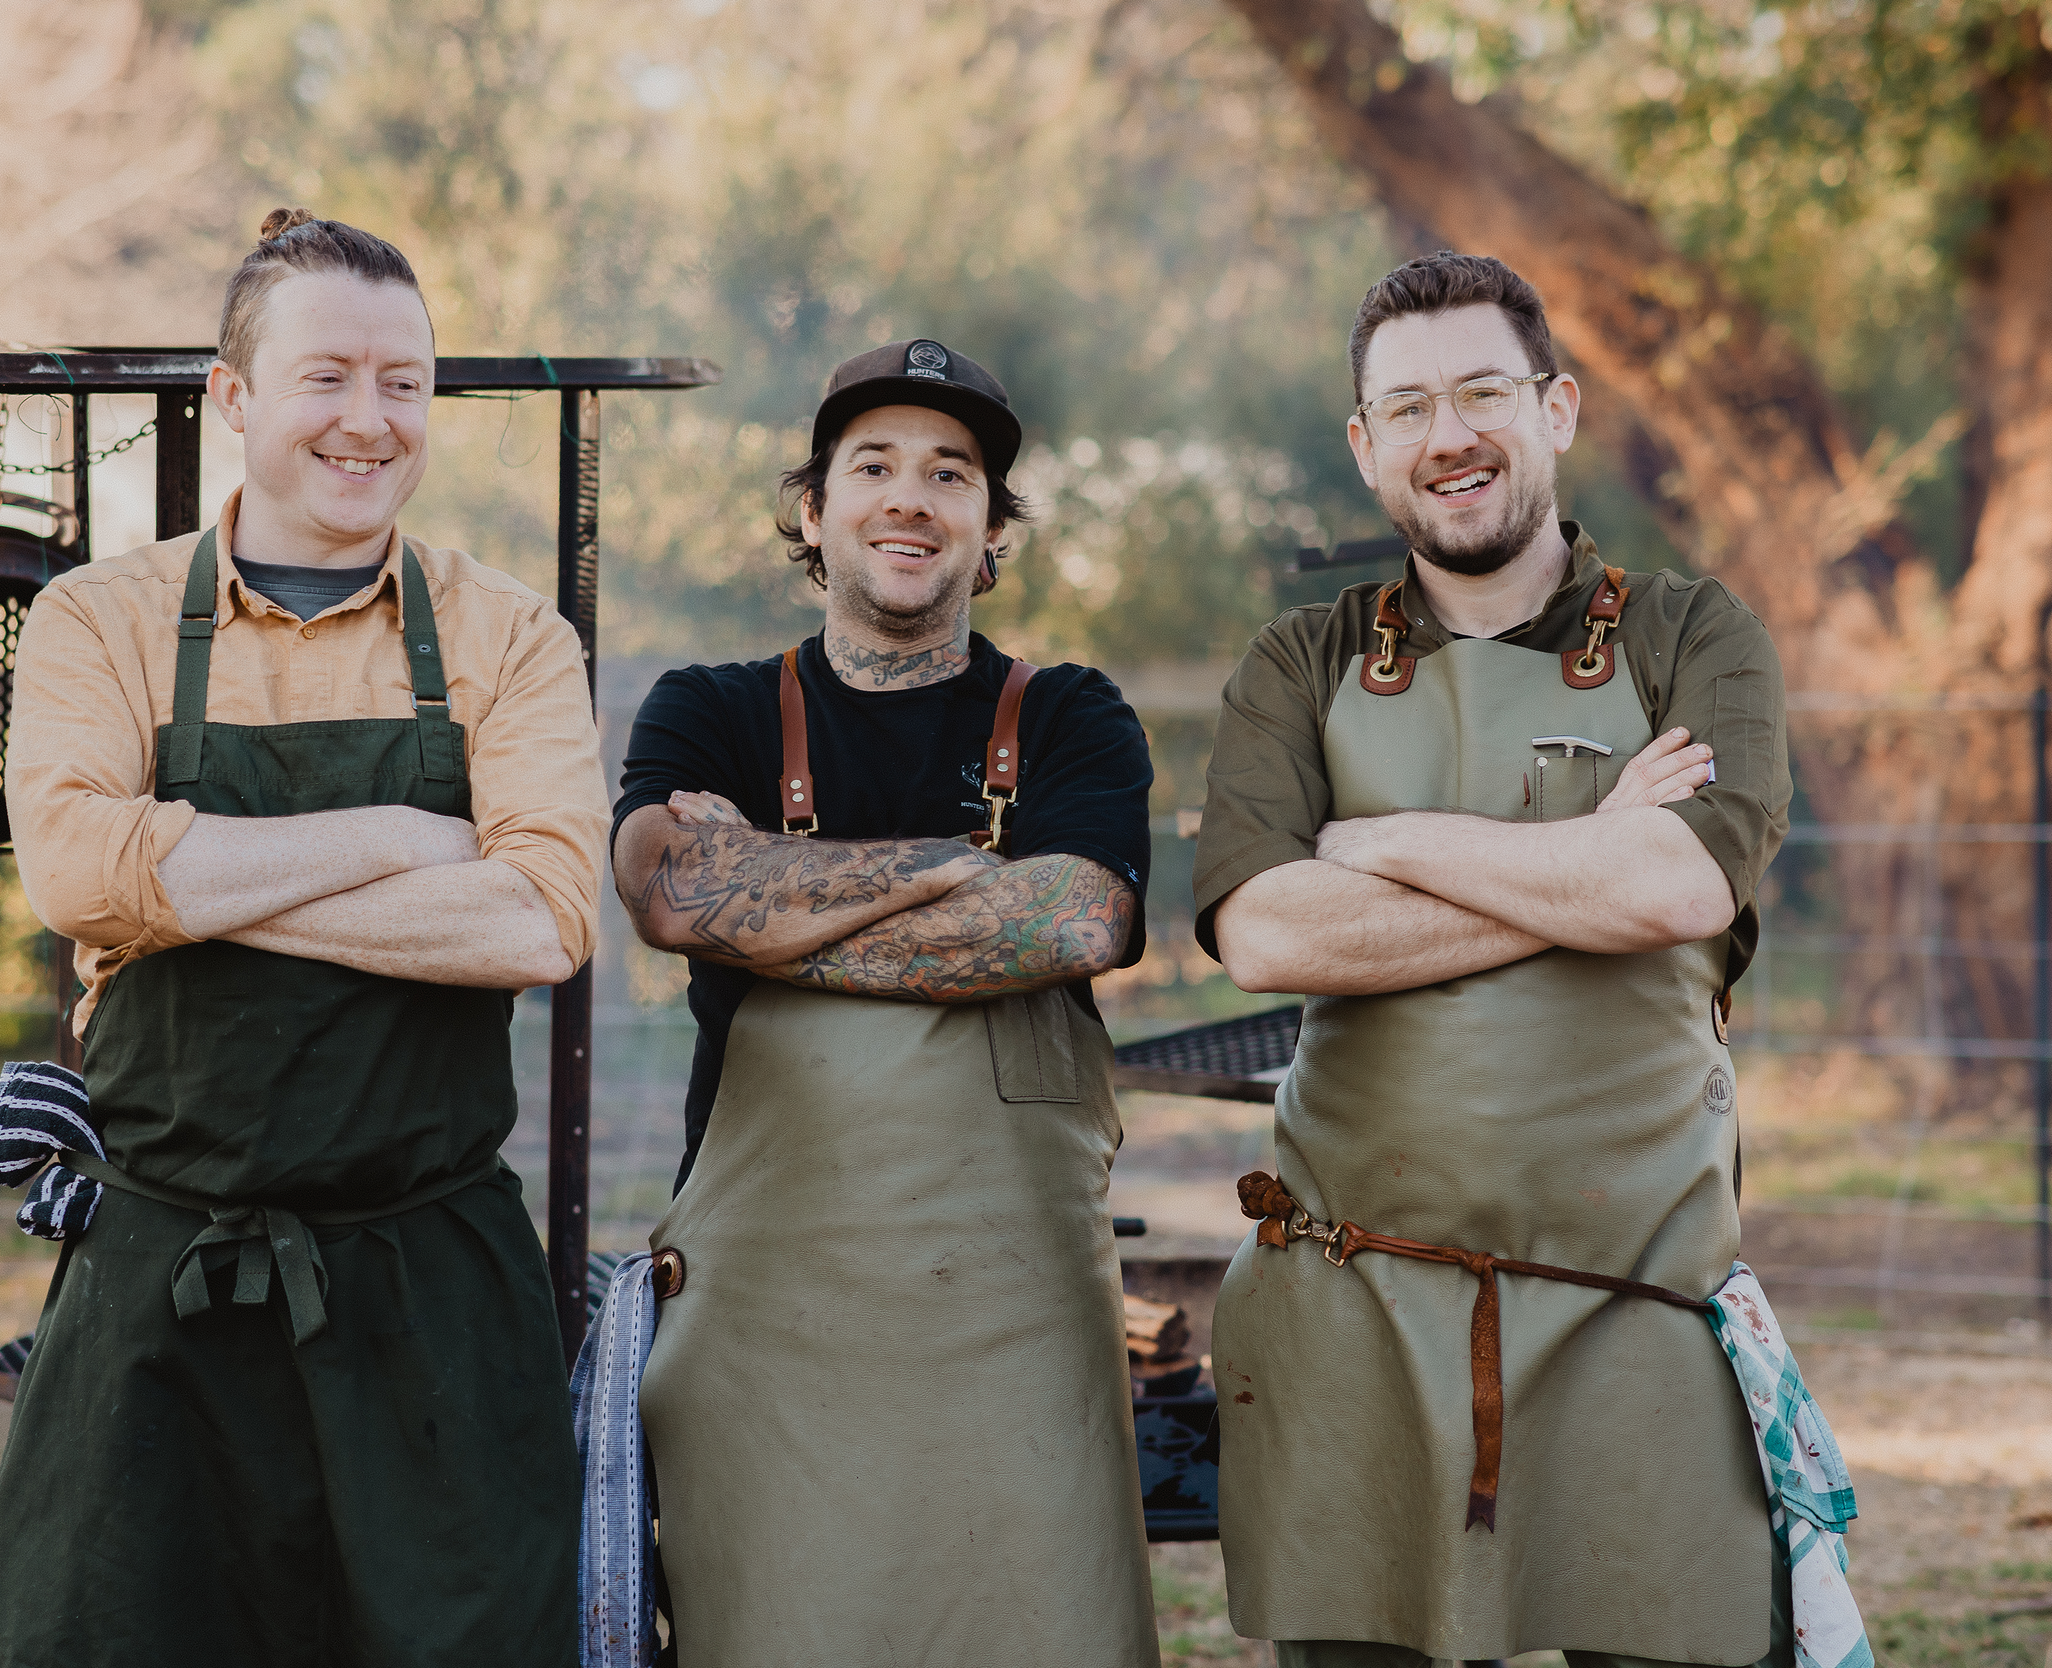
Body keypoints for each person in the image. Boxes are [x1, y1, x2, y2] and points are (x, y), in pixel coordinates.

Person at [0, 209, 605, 1668]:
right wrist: (396, 836)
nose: (369, 421)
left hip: (431, 1290)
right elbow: (77, 873)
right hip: (161, 1280)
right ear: (234, 396)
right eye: (327, 377)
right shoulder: (100, 621)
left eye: (404, 383)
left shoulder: (510, 638)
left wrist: (193, 878)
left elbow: (541, 915)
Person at [1196, 252, 1802, 1668]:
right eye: (1406, 407)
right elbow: (1266, 931)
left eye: (1482, 392)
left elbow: (1679, 880)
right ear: (1364, 446)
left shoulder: (1693, 634)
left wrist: (1375, 839)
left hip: (1635, 1302)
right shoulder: (1300, 661)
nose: (1447, 435)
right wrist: (1583, 862)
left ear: (1557, 407)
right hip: (1352, 1303)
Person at [613, 340, 1162, 1667]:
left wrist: (780, 899)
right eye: (874, 466)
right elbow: (675, 893)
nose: (909, 498)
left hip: (1016, 1323)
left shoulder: (1075, 716)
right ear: (814, 511)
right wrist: (958, 866)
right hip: (770, 1335)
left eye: (950, 474)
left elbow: (1078, 918)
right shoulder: (712, 707)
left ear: (990, 533)